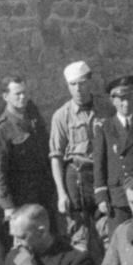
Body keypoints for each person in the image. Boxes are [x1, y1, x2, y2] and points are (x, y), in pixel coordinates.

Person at [0, 72, 55, 242]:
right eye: (17, 94)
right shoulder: (1, 130)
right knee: (24, 243)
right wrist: (7, 205)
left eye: (25, 92)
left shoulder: (33, 118)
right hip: (20, 197)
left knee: (46, 238)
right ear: (5, 96)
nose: (22, 97)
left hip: (42, 192)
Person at [48, 60, 109, 253]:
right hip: (76, 178)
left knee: (107, 232)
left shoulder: (106, 108)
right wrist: (61, 193)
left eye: (81, 83)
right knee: (78, 236)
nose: (78, 89)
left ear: (90, 82)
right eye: (73, 85)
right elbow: (56, 156)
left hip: (102, 176)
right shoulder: (62, 116)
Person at [98, 72, 133, 232]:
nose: (126, 103)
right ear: (113, 101)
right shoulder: (105, 128)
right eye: (121, 99)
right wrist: (101, 196)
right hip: (118, 195)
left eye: (129, 98)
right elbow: (100, 164)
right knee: (121, 240)